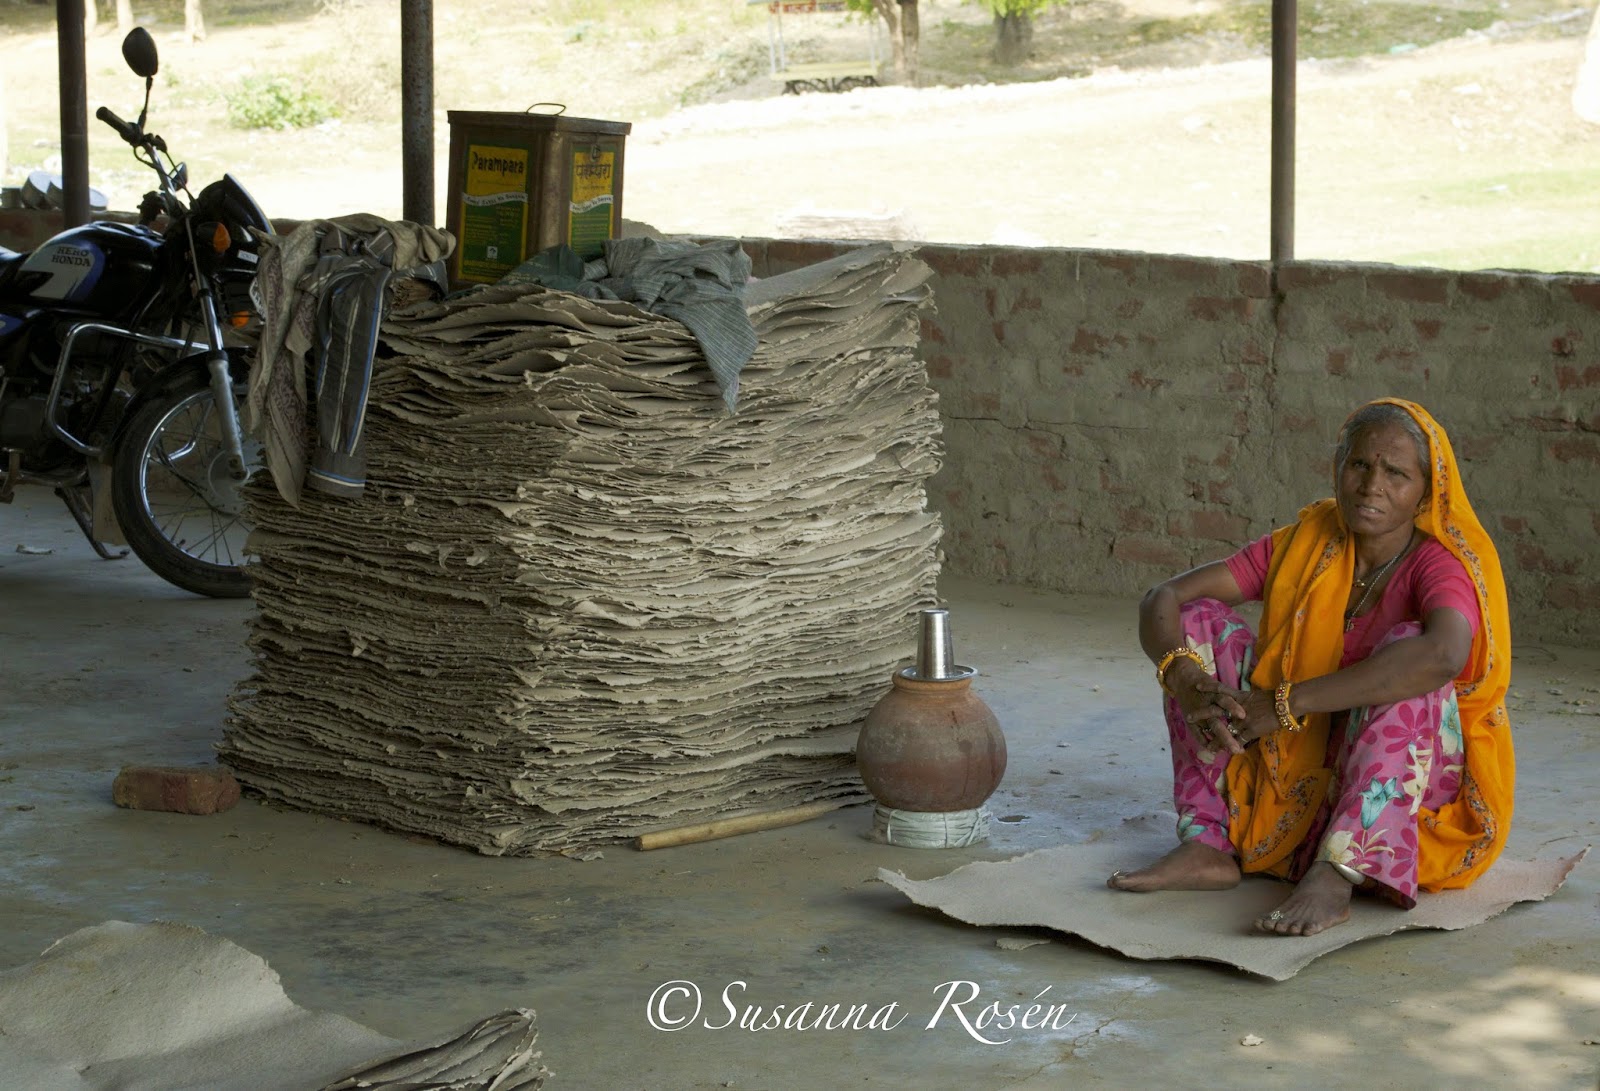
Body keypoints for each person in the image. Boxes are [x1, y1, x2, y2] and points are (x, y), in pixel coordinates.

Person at [1107, 398, 1513, 937]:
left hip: (1399, 786)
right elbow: (1164, 597)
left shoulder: (1438, 564)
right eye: (1360, 464)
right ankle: (1206, 842)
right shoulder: (1309, 541)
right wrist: (1184, 677)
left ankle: (1338, 870)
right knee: (1197, 621)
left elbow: (1444, 654)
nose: (1372, 486)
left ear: (1425, 492)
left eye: (1396, 473)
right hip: (1295, 762)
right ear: (1338, 468)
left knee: (1411, 652)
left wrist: (1285, 703)